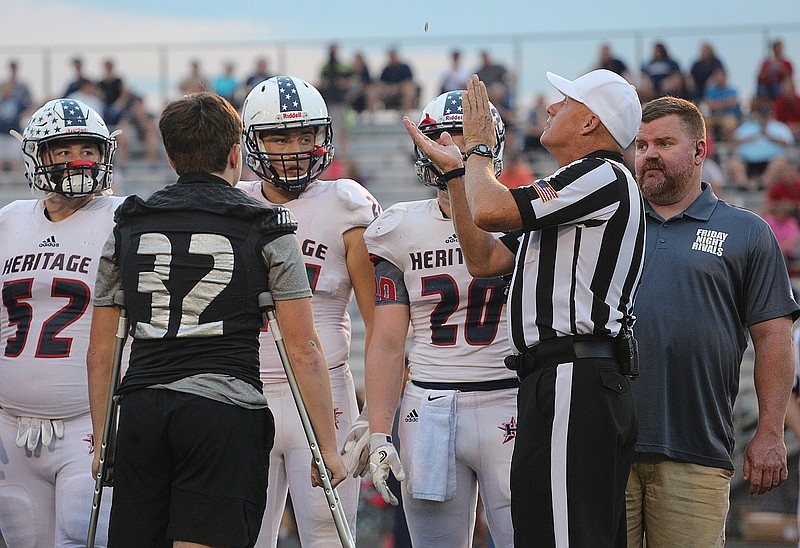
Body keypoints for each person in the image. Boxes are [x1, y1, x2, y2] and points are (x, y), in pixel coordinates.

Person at [86, 91, 346, 547]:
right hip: (223, 412)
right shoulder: (268, 224)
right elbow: (303, 348)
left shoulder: (129, 223)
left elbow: (101, 350)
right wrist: (327, 448)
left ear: (170, 156)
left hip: (144, 408)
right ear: (235, 154)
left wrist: (102, 437)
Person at [404, 69, 645, 547]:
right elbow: (484, 258)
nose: (551, 107)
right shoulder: (572, 184)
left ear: (590, 123)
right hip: (552, 377)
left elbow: (491, 209)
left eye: (566, 101)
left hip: (576, 374)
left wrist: (476, 150)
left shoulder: (603, 173)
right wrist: (457, 176)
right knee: (543, 530)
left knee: (566, 534)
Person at [626, 95, 800, 547]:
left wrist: (769, 431)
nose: (650, 154)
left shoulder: (746, 232)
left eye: (664, 142)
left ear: (701, 151)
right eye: (641, 144)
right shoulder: (610, 225)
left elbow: (775, 338)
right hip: (606, 448)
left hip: (698, 452)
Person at [363, 90, 516, 547]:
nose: (451, 146)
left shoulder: (521, 214)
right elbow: (388, 341)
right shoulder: (399, 227)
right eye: (440, 137)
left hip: (510, 398)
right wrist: (377, 431)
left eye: (465, 138)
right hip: (428, 407)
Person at [237, 75, 379, 547]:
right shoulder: (234, 204)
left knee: (329, 535)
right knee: (244, 535)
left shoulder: (347, 203)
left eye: (305, 136)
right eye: (279, 137)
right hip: (245, 389)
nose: (296, 149)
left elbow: (379, 322)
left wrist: (376, 415)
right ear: (254, 142)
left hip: (326, 391)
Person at [0, 98, 121, 547]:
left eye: (87, 149)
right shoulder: (9, 222)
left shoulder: (123, 218)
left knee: (82, 536)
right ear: (35, 155)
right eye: (63, 150)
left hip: (86, 425)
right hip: (10, 425)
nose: (78, 161)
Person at [368, 48, 417, 112]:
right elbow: (381, 82)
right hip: (387, 92)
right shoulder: (386, 69)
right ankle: (371, 115)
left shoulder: (405, 68)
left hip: (401, 91)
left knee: (409, 89)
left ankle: (405, 113)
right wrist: (388, 88)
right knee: (373, 91)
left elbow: (408, 81)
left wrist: (396, 87)